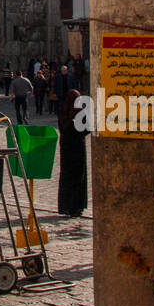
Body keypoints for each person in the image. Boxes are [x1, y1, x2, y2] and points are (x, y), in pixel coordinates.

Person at [57, 89, 88, 217]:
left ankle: (65, 206)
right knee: (78, 178)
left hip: (66, 146)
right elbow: (87, 129)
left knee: (66, 176)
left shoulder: (63, 111)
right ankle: (76, 207)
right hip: (77, 147)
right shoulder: (79, 113)